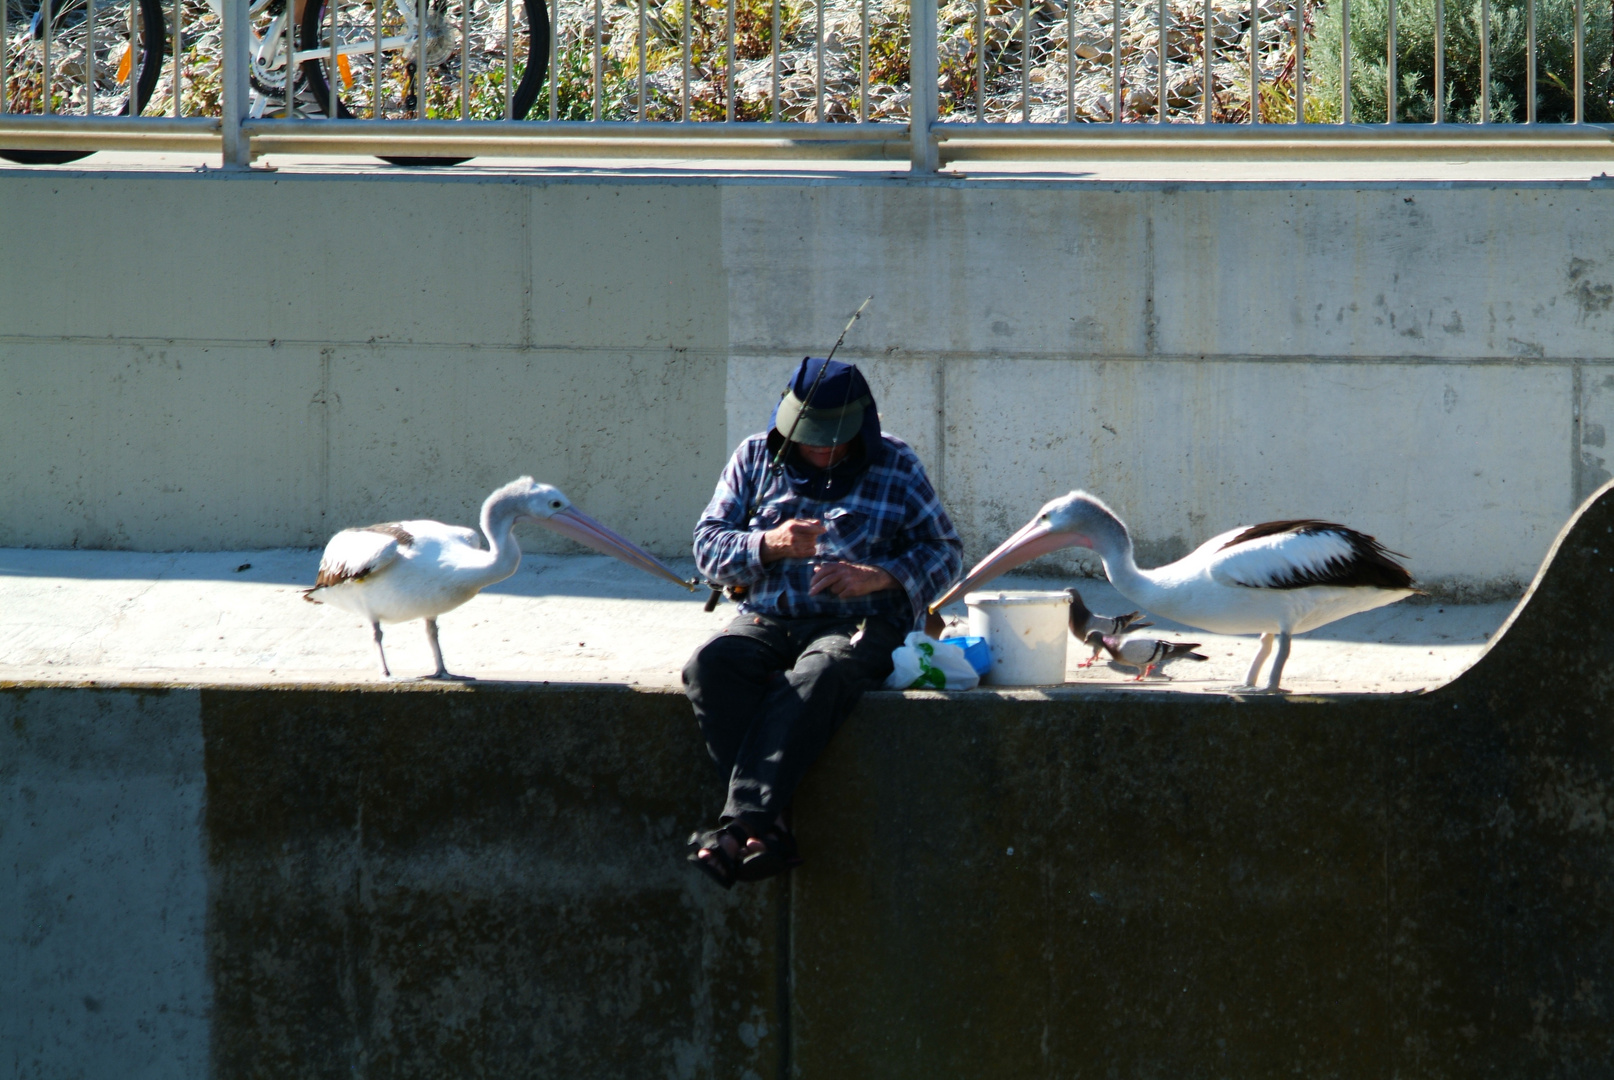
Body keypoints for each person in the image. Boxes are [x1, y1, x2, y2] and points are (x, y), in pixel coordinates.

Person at [683, 357, 963, 888]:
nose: (822, 449)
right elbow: (706, 546)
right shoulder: (753, 458)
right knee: (710, 666)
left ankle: (740, 826)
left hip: (856, 621)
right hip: (769, 614)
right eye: (810, 437)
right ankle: (772, 827)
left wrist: (878, 576)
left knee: (819, 675)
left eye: (833, 439)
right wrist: (768, 544)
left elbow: (946, 551)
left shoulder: (897, 465)